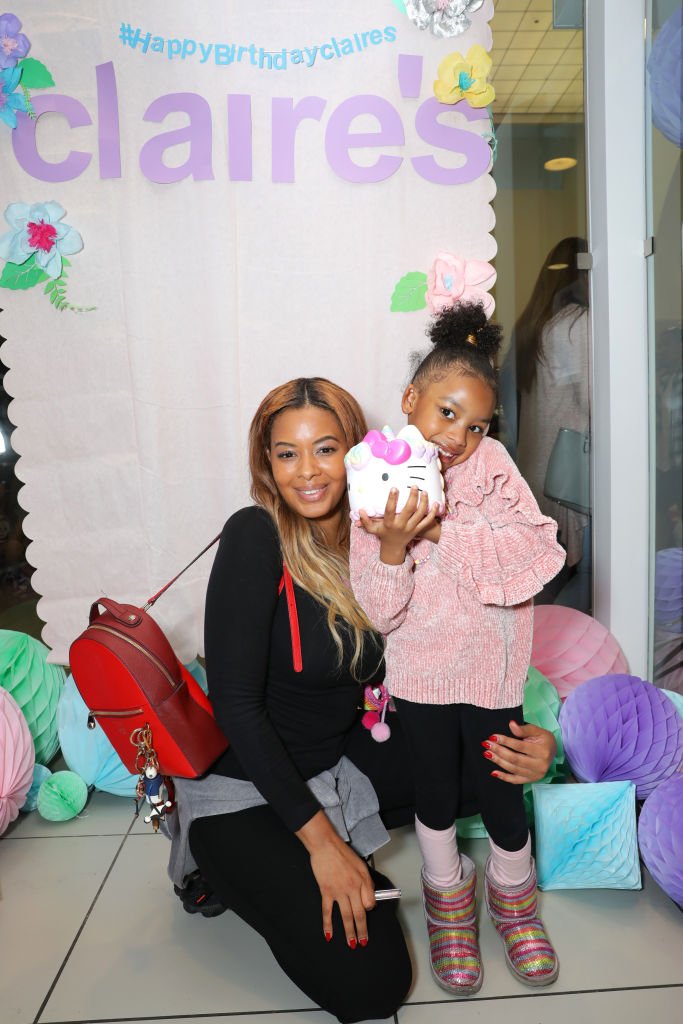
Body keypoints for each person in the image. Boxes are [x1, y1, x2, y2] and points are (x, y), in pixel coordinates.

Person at [167, 376, 560, 1024]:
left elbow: (448, 653)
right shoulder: (255, 535)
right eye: (285, 454)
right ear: (264, 464)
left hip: (339, 762)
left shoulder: (378, 529)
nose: (307, 473)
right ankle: (223, 867)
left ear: (358, 449)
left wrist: (531, 742)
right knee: (374, 986)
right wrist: (322, 843)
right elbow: (237, 708)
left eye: (324, 448)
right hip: (251, 789)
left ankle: (488, 893)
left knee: (483, 766)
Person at [349, 303, 566, 998]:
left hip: (492, 671)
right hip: (418, 673)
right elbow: (380, 609)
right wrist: (390, 545)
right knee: (435, 793)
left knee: (502, 790)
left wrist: (440, 532)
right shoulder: (374, 475)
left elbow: (535, 551)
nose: (458, 437)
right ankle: (447, 901)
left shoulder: (493, 466)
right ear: (410, 400)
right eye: (445, 414)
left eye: (475, 425)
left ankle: (512, 896)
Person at [514, 237, 591, 610]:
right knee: (587, 581)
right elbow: (592, 402)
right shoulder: (578, 324)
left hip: (535, 468)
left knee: (546, 580)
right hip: (567, 472)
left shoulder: (535, 324)